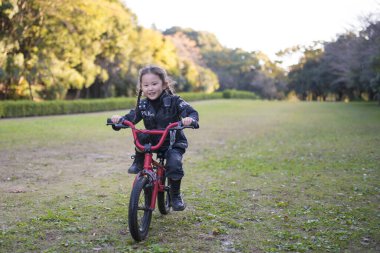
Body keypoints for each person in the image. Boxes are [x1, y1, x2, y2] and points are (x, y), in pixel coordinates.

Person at [110, 65, 199, 211]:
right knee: (141, 133)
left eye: (154, 84)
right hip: (154, 140)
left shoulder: (175, 101)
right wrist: (118, 121)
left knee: (174, 163)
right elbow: (131, 118)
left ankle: (175, 195)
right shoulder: (143, 104)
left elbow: (191, 112)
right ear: (141, 87)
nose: (150, 88)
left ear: (164, 84)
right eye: (146, 85)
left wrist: (189, 119)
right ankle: (139, 162)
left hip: (172, 142)